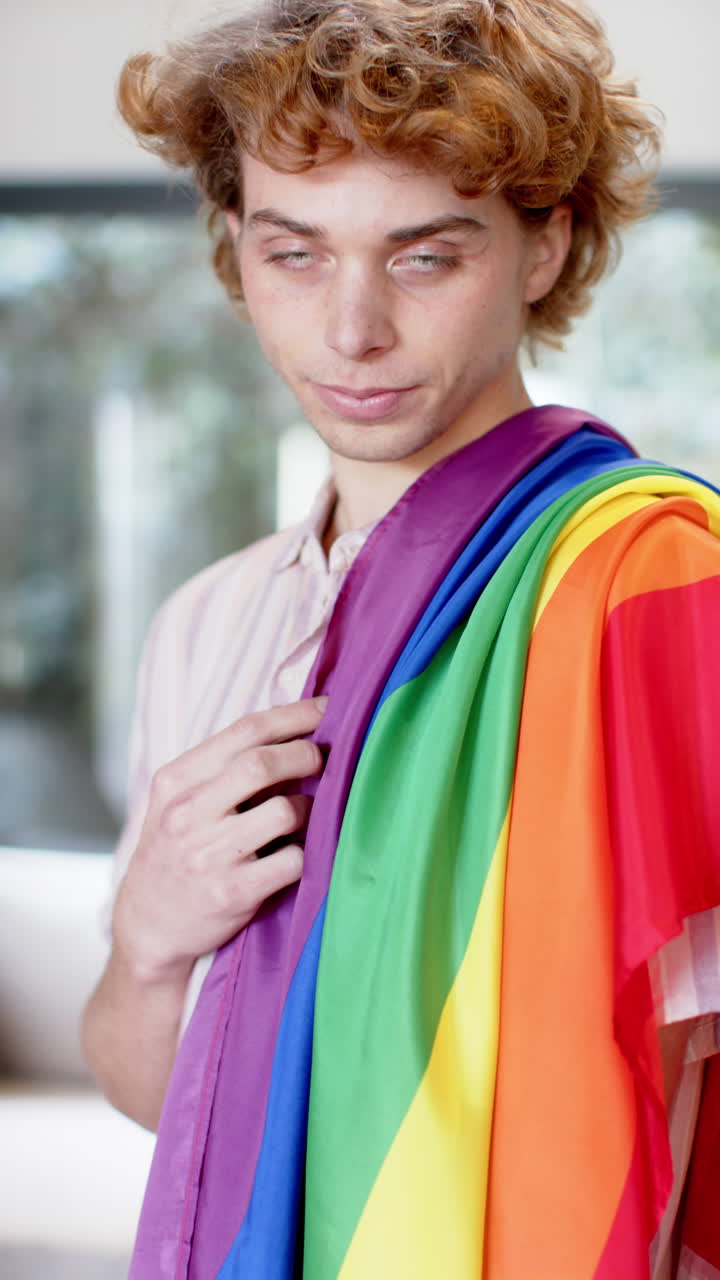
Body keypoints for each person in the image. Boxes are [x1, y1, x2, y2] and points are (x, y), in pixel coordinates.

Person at [82, 1, 720, 1276]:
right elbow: (186, 1111)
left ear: (547, 246)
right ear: (236, 250)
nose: (352, 329)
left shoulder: (654, 584)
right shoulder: (206, 622)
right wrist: (151, 937)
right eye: (296, 254)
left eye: (426, 256)